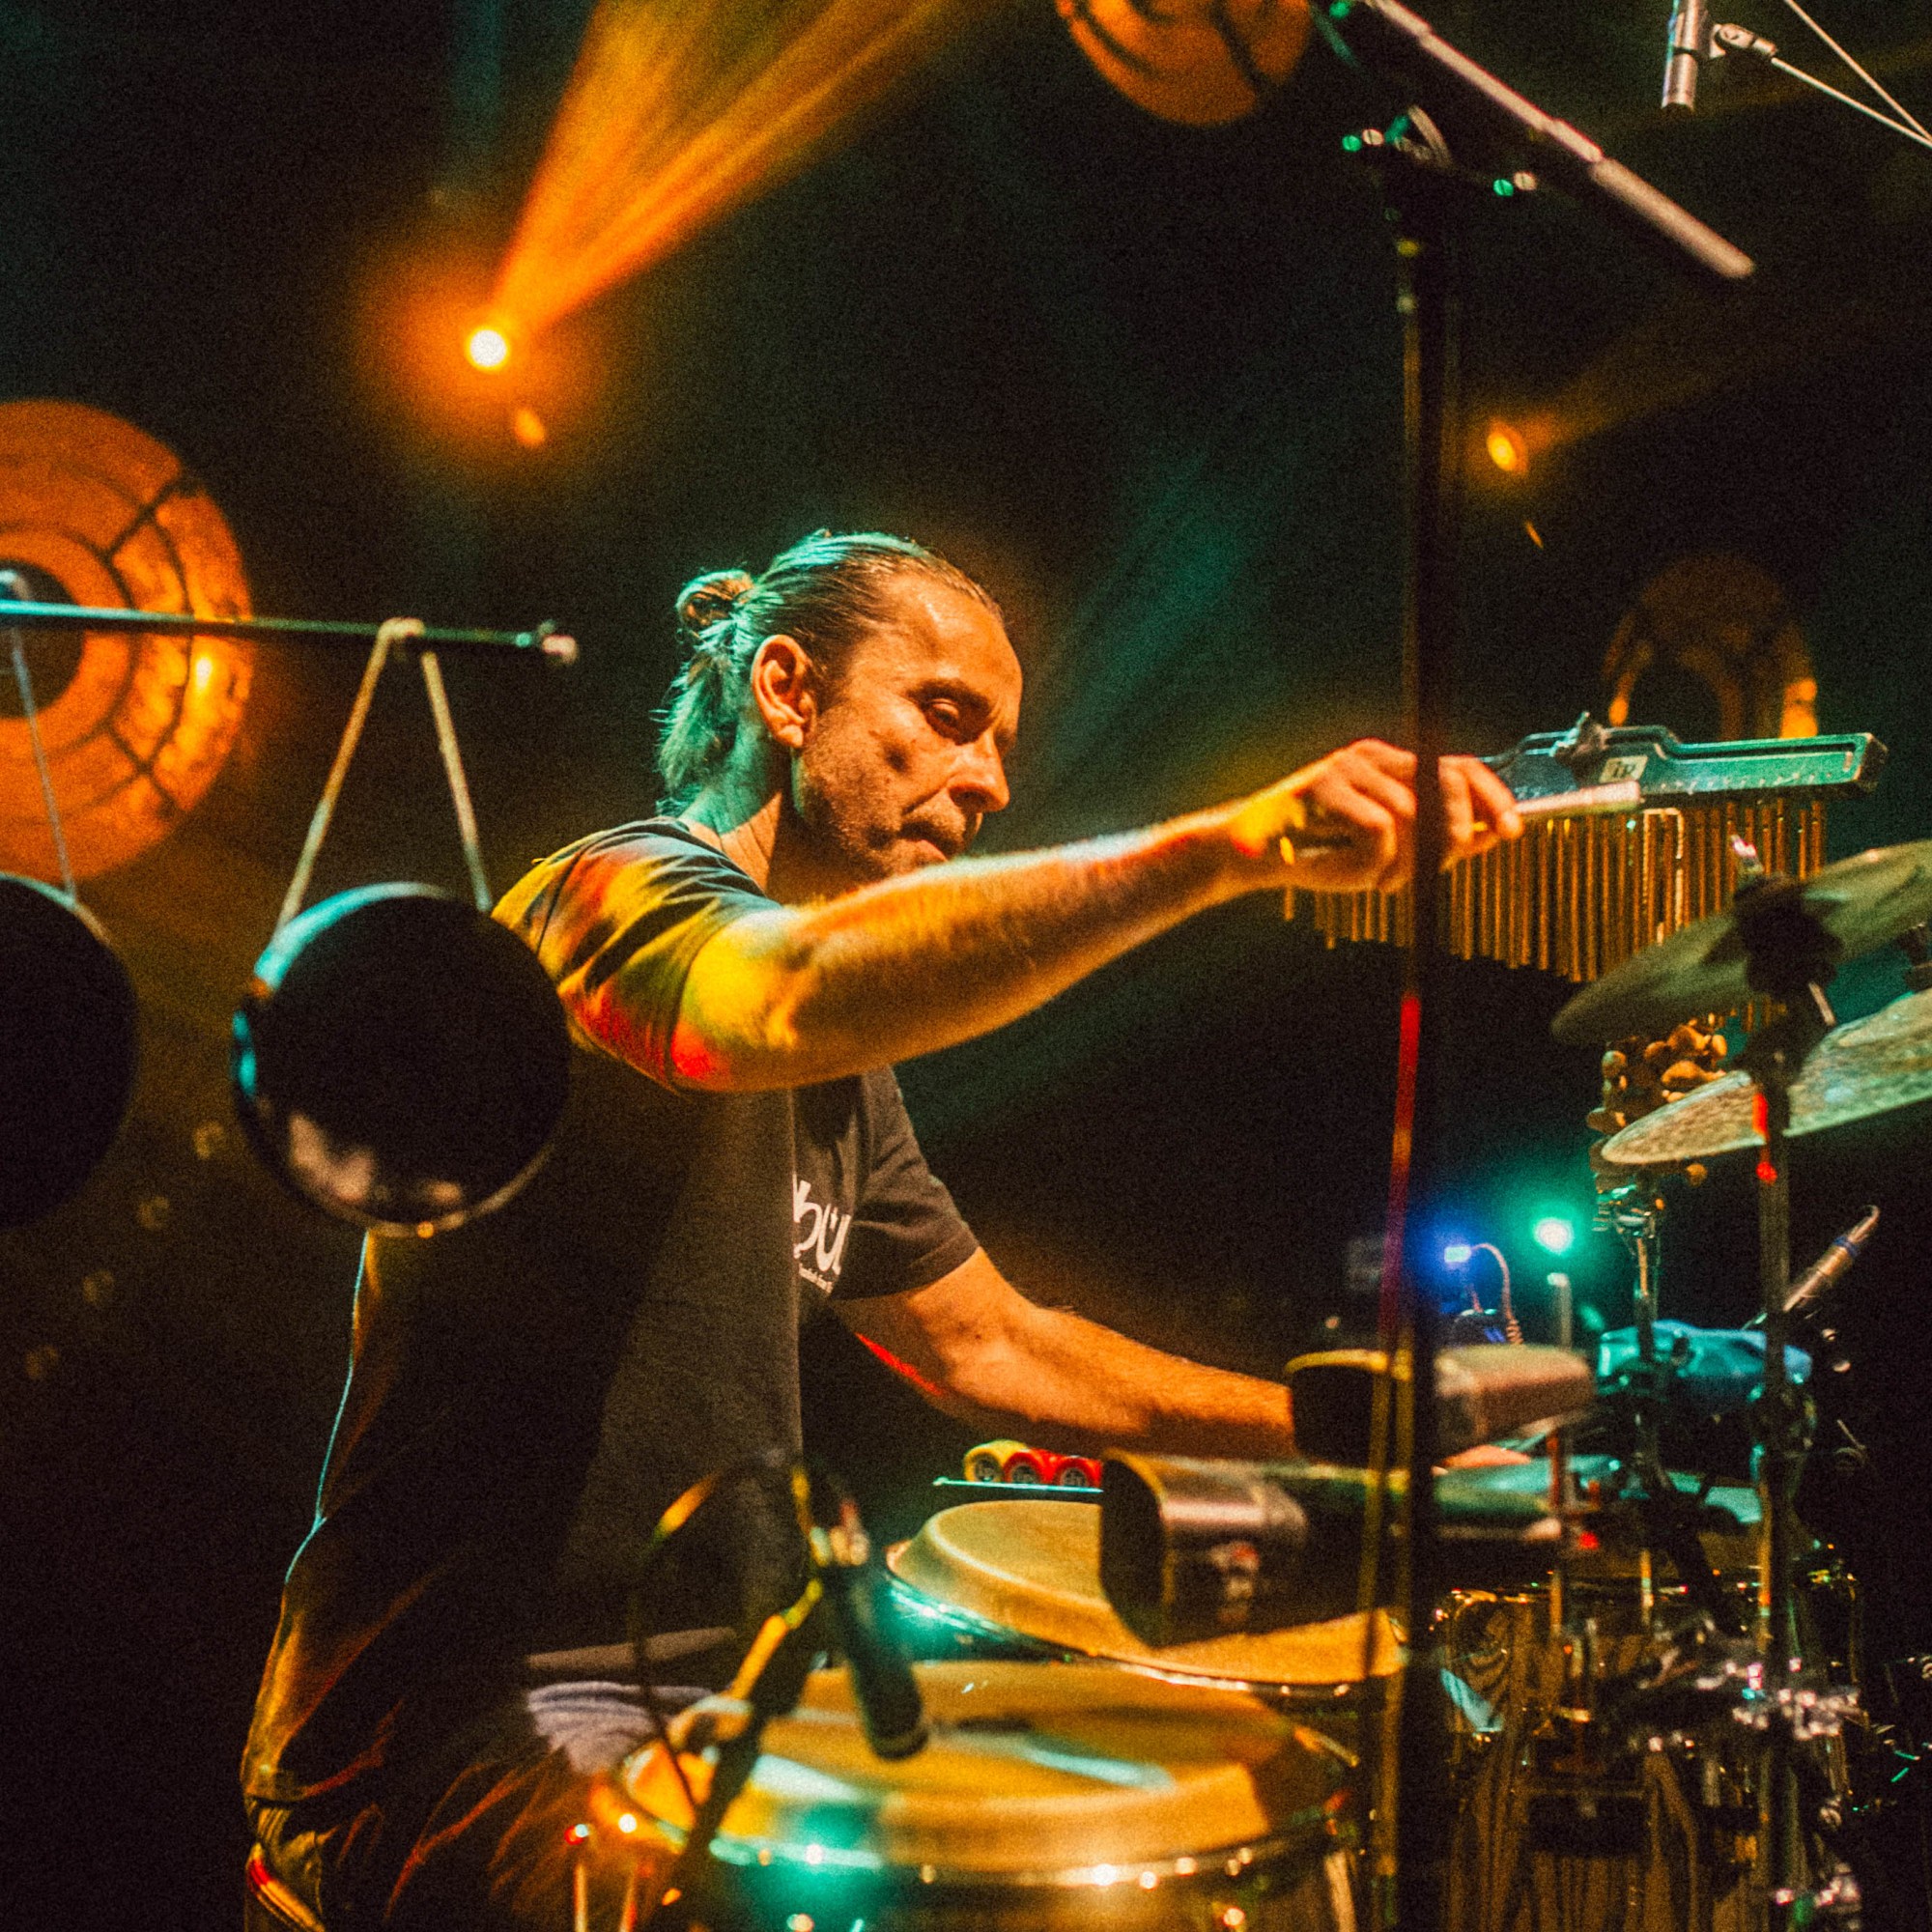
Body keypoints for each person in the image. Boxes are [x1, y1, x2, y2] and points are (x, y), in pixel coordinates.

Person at [241, 529, 1520, 1929]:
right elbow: (770, 1001)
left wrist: (1361, 1438)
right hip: (457, 1730)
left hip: (720, 1688)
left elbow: (991, 1346)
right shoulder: (602, 898)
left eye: (999, 742)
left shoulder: (841, 1068)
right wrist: (1230, 848)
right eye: (947, 715)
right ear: (787, 694)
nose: (991, 781)